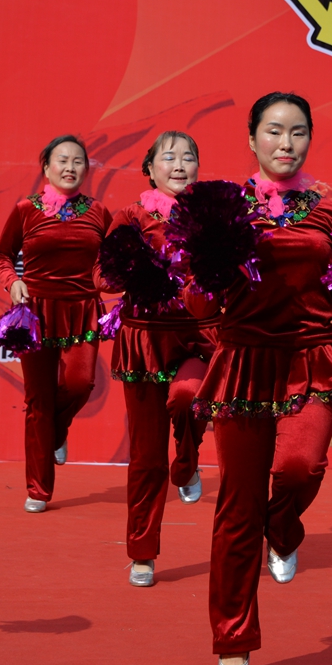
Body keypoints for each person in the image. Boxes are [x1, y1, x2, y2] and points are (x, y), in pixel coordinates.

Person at [190, 93, 332, 665]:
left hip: (310, 357)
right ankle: (233, 641)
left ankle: (285, 528)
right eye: (273, 131)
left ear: (310, 139)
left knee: (300, 468)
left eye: (297, 132)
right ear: (252, 139)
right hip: (243, 360)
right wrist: (201, 268)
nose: (285, 143)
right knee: (236, 505)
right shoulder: (223, 209)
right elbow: (199, 305)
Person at [96, 131, 218, 587]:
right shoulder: (130, 217)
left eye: (189, 157)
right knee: (147, 457)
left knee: (189, 398)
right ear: (150, 169)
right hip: (145, 340)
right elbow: (101, 277)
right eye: (169, 157)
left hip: (198, 335)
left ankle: (186, 461)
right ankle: (142, 552)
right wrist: (135, 271)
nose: (180, 165)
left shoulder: (213, 216)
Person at [0, 135, 111, 513]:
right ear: (46, 167)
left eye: (78, 161)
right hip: (35, 313)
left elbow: (114, 259)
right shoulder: (26, 209)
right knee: (38, 401)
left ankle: (57, 431)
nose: (70, 167)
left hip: (82, 310)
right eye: (62, 160)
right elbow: (1, 255)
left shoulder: (99, 212)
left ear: (86, 169)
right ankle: (38, 489)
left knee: (81, 383)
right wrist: (13, 282)